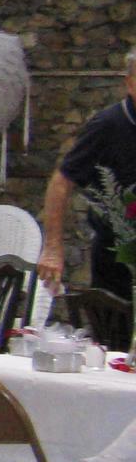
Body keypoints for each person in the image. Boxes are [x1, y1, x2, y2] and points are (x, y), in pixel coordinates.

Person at [38, 48, 136, 301]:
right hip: (118, 258)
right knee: (116, 338)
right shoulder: (107, 125)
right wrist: (52, 248)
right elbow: (62, 181)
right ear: (130, 83)